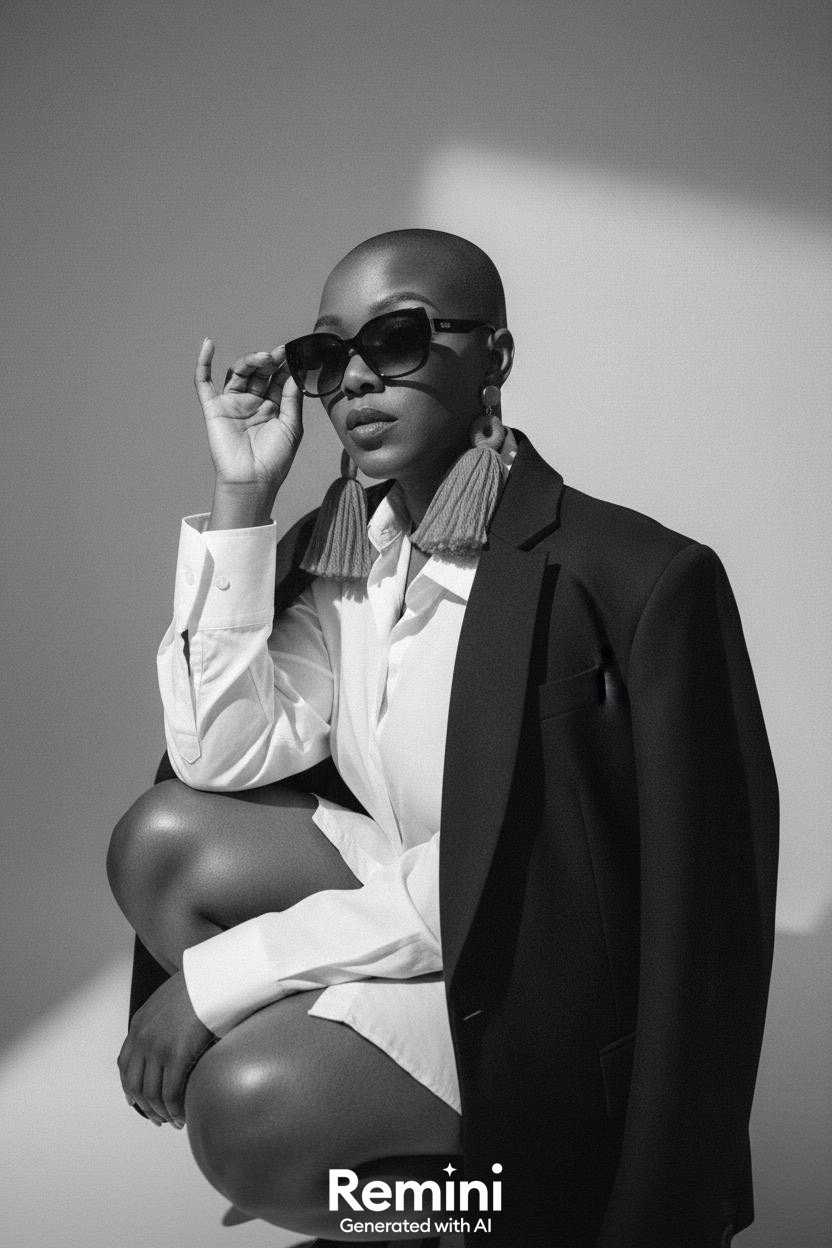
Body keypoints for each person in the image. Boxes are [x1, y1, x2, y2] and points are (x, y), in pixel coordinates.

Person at [107, 228, 779, 1248]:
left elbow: (536, 884)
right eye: (329, 357)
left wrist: (226, 979)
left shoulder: (632, 577)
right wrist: (242, 497)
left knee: (245, 1111)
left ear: (494, 359)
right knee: (160, 839)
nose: (358, 382)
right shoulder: (343, 553)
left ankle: (479, 1214)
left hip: (535, 983)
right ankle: (349, 1099)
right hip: (421, 911)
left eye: (400, 338)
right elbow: (218, 758)